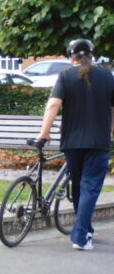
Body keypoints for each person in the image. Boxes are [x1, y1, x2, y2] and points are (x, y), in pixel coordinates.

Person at [38, 38, 114, 251]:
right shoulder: (107, 76)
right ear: (92, 55)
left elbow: (53, 104)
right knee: (89, 188)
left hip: (72, 142)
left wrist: (44, 133)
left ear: (71, 57)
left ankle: (85, 228)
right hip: (98, 142)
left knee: (80, 187)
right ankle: (81, 237)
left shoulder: (65, 76)